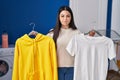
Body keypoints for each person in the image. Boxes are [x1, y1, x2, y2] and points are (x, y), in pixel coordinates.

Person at [47, 5, 95, 80]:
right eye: (62, 16)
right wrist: (37, 36)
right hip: (56, 68)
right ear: (59, 17)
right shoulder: (52, 33)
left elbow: (84, 47)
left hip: (73, 68)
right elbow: (42, 44)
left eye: (68, 16)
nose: (65, 19)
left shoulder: (77, 32)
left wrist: (89, 37)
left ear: (71, 17)